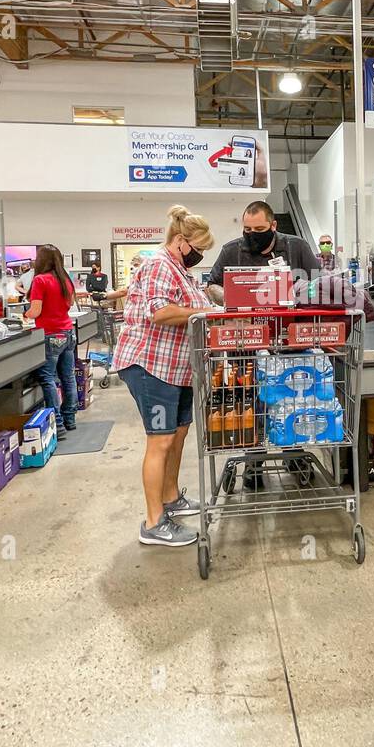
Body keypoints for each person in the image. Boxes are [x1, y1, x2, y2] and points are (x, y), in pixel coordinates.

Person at [111, 205, 216, 547]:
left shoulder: (180, 271)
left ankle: (171, 498)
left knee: (178, 433)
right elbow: (162, 313)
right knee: (160, 441)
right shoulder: (159, 265)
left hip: (177, 368)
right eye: (198, 249)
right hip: (150, 365)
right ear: (181, 241)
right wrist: (210, 310)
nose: (200, 256)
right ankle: (154, 522)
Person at [205, 201, 319, 303]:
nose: (253, 234)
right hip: (246, 321)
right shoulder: (231, 251)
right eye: (248, 229)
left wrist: (296, 296)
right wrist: (231, 298)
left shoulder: (297, 246)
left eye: (259, 229)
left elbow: (319, 283)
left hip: (291, 319)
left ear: (273, 225)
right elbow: (213, 285)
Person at [25, 244, 79, 440]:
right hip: (67, 332)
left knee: (48, 378)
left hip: (49, 334)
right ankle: (69, 419)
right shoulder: (66, 279)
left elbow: (36, 311)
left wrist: (25, 314)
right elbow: (70, 304)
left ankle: (56, 422)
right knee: (68, 377)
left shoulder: (40, 280)